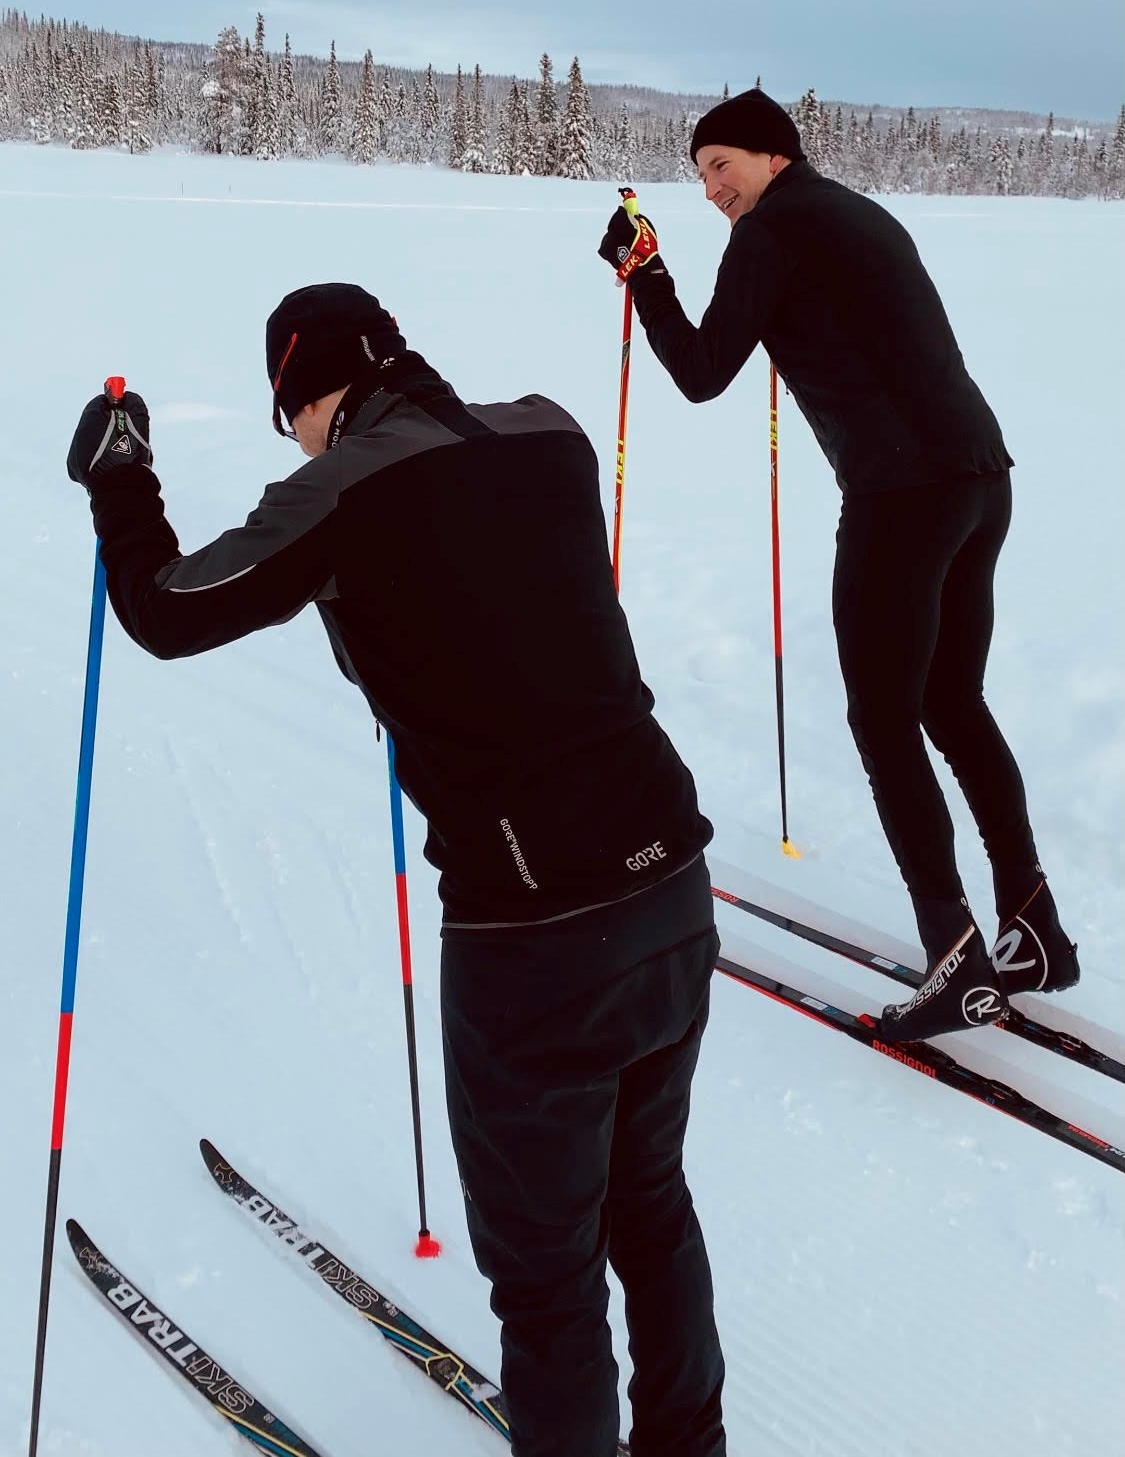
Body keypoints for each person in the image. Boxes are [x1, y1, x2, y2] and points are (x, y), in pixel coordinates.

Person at [66, 283, 726, 1457]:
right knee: (651, 1201)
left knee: (548, 1277)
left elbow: (166, 609)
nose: (300, 440)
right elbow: (494, 587)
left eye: (294, 417)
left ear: (311, 393)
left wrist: (123, 477)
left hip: (536, 934)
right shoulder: (550, 430)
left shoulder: (343, 487)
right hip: (673, 876)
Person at [597, 86, 1078, 1044]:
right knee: (950, 703)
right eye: (698, 176)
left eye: (720, 167)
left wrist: (642, 273)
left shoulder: (775, 230)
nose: (710, 191)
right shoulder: (856, 211)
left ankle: (954, 955)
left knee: (883, 717)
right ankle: (1032, 927)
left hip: (902, 496)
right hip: (979, 479)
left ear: (773, 156)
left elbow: (699, 372)